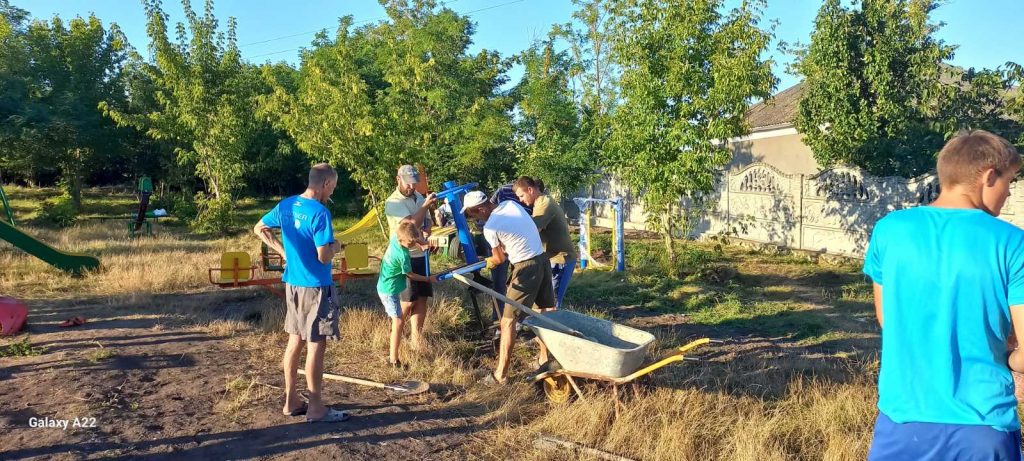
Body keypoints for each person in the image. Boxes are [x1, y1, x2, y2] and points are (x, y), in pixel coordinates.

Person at [863, 130, 1024, 460]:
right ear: (989, 176)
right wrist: (1010, 358)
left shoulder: (889, 231)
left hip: (902, 423)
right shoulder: (1013, 243)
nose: (1009, 192)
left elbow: (887, 319)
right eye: (1010, 180)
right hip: (983, 427)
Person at [254, 163, 349, 423]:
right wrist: (336, 246)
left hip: (293, 285)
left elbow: (258, 227)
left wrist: (283, 252)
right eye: (333, 188)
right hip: (316, 287)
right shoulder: (320, 213)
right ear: (326, 184)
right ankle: (316, 408)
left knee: (295, 340)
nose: (332, 193)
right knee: (317, 344)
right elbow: (323, 256)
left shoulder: (286, 205)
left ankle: (290, 400)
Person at [462, 190, 555, 384]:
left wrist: (488, 262)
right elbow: (517, 235)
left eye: (472, 214)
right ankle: (545, 359)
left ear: (480, 209)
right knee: (543, 312)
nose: (473, 219)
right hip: (542, 259)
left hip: (526, 267)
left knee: (507, 322)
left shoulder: (490, 228)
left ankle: (501, 375)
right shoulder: (510, 205)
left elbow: (499, 259)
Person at [384, 165, 437, 351]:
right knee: (407, 302)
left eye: (415, 184)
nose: (412, 188)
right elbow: (410, 225)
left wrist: (427, 230)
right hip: (404, 257)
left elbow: (427, 221)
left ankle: (416, 340)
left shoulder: (419, 197)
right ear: (398, 179)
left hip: (421, 255)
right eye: (408, 184)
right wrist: (424, 207)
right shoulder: (393, 203)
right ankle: (396, 337)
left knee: (422, 298)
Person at [378, 219, 438, 368]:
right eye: (410, 244)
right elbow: (410, 275)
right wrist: (427, 279)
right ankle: (393, 360)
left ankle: (394, 354)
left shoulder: (396, 237)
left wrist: (419, 241)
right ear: (401, 240)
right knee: (398, 322)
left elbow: (406, 224)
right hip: (388, 290)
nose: (412, 246)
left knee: (398, 320)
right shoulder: (402, 256)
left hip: (389, 287)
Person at [513, 176, 577, 309]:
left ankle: (553, 328)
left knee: (552, 304)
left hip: (560, 259)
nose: (521, 200)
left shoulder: (544, 204)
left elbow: (533, 230)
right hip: (551, 257)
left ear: (530, 190)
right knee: (542, 302)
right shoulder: (539, 203)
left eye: (521, 196)